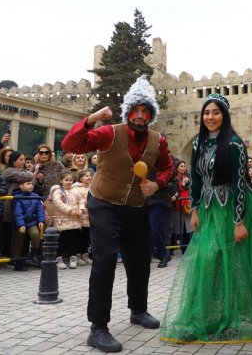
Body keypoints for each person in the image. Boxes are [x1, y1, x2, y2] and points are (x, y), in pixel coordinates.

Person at [62, 76, 173, 353]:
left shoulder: (158, 141)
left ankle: (138, 310)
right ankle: (98, 328)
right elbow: (72, 145)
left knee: (140, 260)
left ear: (151, 114)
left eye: (145, 111)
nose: (139, 115)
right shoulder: (110, 132)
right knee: (106, 260)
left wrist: (157, 183)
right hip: (104, 203)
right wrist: (91, 120)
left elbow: (168, 167)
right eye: (135, 110)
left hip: (136, 206)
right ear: (128, 111)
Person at [160, 93, 252, 343]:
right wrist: (194, 210)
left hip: (231, 211)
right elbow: (194, 178)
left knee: (233, 263)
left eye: (216, 112)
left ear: (224, 116)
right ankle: (204, 317)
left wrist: (239, 223)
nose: (210, 117)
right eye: (207, 112)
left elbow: (240, 183)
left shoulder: (235, 144)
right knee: (206, 262)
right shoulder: (198, 144)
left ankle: (236, 317)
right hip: (207, 209)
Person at [48, 170, 82, 270]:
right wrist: (69, 210)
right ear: (61, 181)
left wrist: (81, 209)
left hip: (75, 220)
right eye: (66, 180)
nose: (69, 182)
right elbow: (58, 203)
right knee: (61, 241)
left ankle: (73, 258)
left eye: (71, 180)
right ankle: (59, 259)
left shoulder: (75, 190)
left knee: (74, 240)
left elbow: (81, 201)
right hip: (62, 220)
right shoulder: (58, 191)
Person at [12, 172, 45, 270]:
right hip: (20, 223)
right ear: (21, 186)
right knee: (19, 243)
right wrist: (21, 224)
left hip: (32, 223)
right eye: (28, 184)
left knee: (35, 234)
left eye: (31, 183)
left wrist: (41, 221)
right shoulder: (17, 197)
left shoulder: (35, 196)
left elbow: (40, 210)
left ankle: (35, 253)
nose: (31, 186)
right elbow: (18, 213)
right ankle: (18, 263)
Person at [169, 159, 192, 254]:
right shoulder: (173, 178)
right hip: (176, 205)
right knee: (175, 227)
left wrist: (186, 184)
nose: (183, 168)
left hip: (186, 205)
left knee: (187, 227)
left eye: (184, 166)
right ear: (177, 168)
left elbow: (191, 187)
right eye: (181, 166)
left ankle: (185, 248)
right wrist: (181, 185)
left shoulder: (188, 177)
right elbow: (173, 189)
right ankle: (171, 248)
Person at [72, 169, 94, 266]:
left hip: (90, 216)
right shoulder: (76, 188)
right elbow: (75, 200)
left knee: (87, 236)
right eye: (86, 176)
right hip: (80, 215)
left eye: (90, 175)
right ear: (80, 179)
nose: (89, 177)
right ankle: (77, 255)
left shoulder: (93, 187)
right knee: (78, 236)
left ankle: (85, 254)